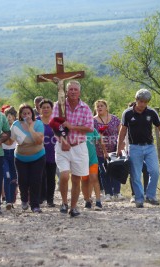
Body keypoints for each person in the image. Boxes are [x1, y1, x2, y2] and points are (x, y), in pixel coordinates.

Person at [117, 89, 160, 208]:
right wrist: (119, 146)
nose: (143, 105)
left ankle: (150, 196)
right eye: (141, 102)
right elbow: (123, 130)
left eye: (146, 102)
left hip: (149, 147)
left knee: (155, 171)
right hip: (134, 147)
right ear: (136, 100)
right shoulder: (127, 113)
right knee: (135, 174)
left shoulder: (152, 113)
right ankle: (139, 198)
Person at [51, 80, 93, 217]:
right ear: (67, 91)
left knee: (76, 179)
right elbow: (54, 124)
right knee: (64, 175)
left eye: (76, 89)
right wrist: (62, 140)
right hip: (62, 146)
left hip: (79, 147)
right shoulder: (59, 105)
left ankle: (73, 207)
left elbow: (89, 128)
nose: (73, 92)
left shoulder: (85, 108)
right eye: (71, 89)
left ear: (79, 92)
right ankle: (64, 202)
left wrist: (73, 127)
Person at [10, 104, 45, 213]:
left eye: (28, 113)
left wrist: (30, 127)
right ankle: (24, 199)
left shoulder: (38, 124)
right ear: (20, 115)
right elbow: (10, 141)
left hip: (37, 156)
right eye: (24, 113)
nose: (26, 115)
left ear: (32, 114)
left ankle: (35, 205)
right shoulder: (16, 125)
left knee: (35, 180)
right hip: (21, 158)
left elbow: (38, 141)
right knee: (23, 180)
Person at [93, 99, 124, 202]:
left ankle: (117, 192)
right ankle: (108, 193)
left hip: (114, 148)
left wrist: (121, 144)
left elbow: (121, 131)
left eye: (101, 106)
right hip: (100, 150)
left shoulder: (114, 118)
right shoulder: (93, 121)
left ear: (106, 107)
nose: (99, 108)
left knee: (116, 169)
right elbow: (95, 136)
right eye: (97, 106)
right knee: (104, 171)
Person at [38, 99, 57, 207]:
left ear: (51, 109)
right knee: (40, 176)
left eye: (47, 107)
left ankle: (50, 199)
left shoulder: (55, 121)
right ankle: (40, 198)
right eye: (43, 107)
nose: (45, 109)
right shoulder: (36, 121)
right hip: (38, 152)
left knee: (51, 177)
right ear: (40, 109)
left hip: (52, 152)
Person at [81, 128, 105, 211]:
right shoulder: (77, 130)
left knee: (94, 178)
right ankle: (87, 200)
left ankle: (98, 201)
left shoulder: (92, 130)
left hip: (92, 159)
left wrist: (105, 152)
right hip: (81, 160)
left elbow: (99, 140)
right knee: (84, 180)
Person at [2, 106, 18, 210]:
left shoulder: (17, 127)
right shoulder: (1, 127)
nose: (9, 118)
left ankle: (12, 200)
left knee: (14, 178)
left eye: (11, 116)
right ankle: (7, 200)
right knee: (6, 176)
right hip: (3, 154)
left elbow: (23, 140)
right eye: (7, 116)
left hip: (14, 154)